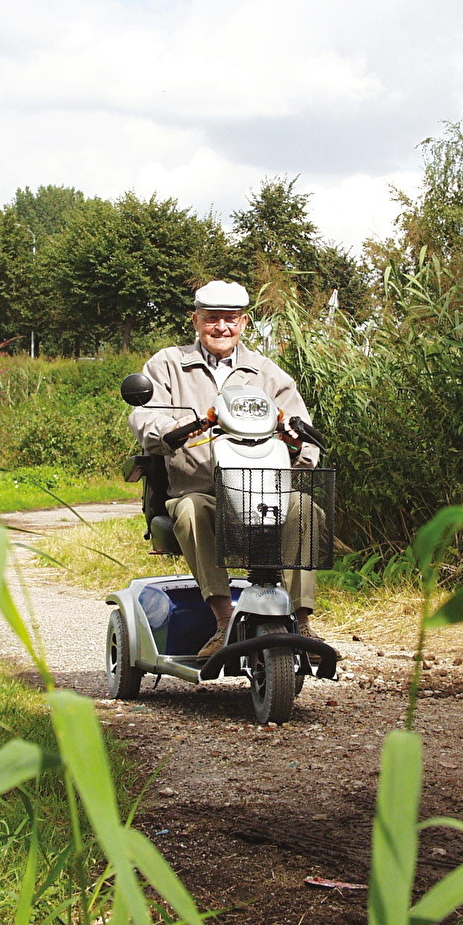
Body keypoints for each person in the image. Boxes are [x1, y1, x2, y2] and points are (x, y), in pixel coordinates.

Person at [128, 280, 325, 661]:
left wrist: (295, 438)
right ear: (196, 320)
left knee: (303, 508)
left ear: (244, 323)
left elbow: (306, 438)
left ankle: (302, 622)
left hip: (263, 494)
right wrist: (183, 428)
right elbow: (144, 422)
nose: (221, 328)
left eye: (230, 319)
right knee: (190, 511)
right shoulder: (167, 365)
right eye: (212, 318)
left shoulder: (269, 374)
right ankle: (222, 622)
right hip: (200, 492)